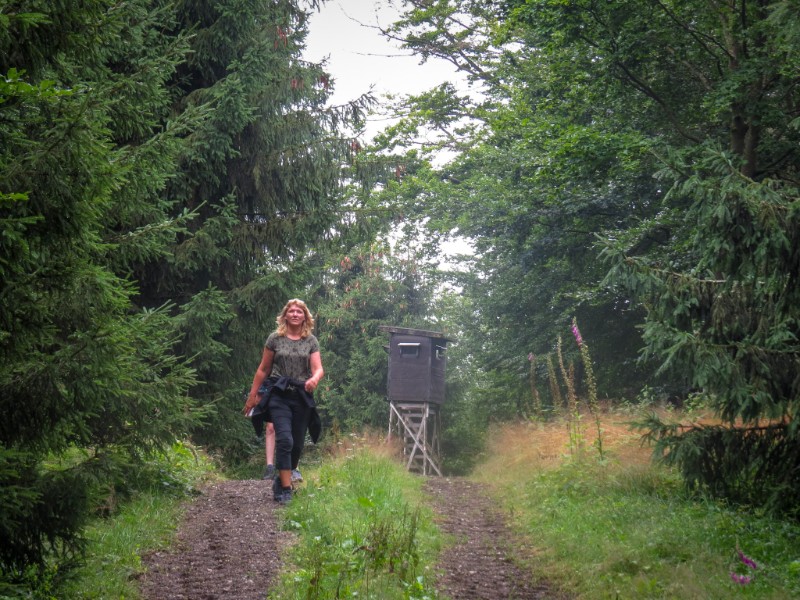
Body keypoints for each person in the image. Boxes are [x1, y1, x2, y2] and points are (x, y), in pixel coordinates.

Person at [243, 299, 323, 503]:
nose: (295, 314)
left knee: (296, 444)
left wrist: (314, 379)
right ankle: (286, 490)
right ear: (285, 316)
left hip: (301, 395)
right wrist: (253, 396)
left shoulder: (311, 341)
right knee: (285, 440)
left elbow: (318, 368)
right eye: (291, 311)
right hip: (278, 393)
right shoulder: (274, 339)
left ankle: (281, 479)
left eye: (299, 311)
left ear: (305, 316)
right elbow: (263, 369)